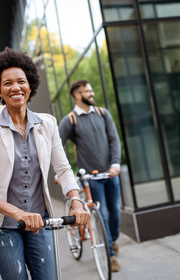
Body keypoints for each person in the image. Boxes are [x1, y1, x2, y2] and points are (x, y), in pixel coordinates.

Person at [0, 48, 89, 280]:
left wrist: (76, 201)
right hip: (1, 226)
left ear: (30, 86)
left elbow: (63, 169)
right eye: (7, 83)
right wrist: (18, 213)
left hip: (39, 221)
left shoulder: (48, 124)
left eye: (21, 81)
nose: (15, 87)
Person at [58, 79, 121, 272]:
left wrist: (116, 163)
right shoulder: (70, 120)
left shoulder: (103, 113)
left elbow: (114, 139)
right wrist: (59, 172)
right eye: (88, 91)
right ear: (78, 95)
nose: (92, 94)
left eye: (92, 90)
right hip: (90, 179)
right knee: (101, 214)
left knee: (116, 212)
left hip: (110, 173)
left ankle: (113, 239)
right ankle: (110, 256)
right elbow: (56, 147)